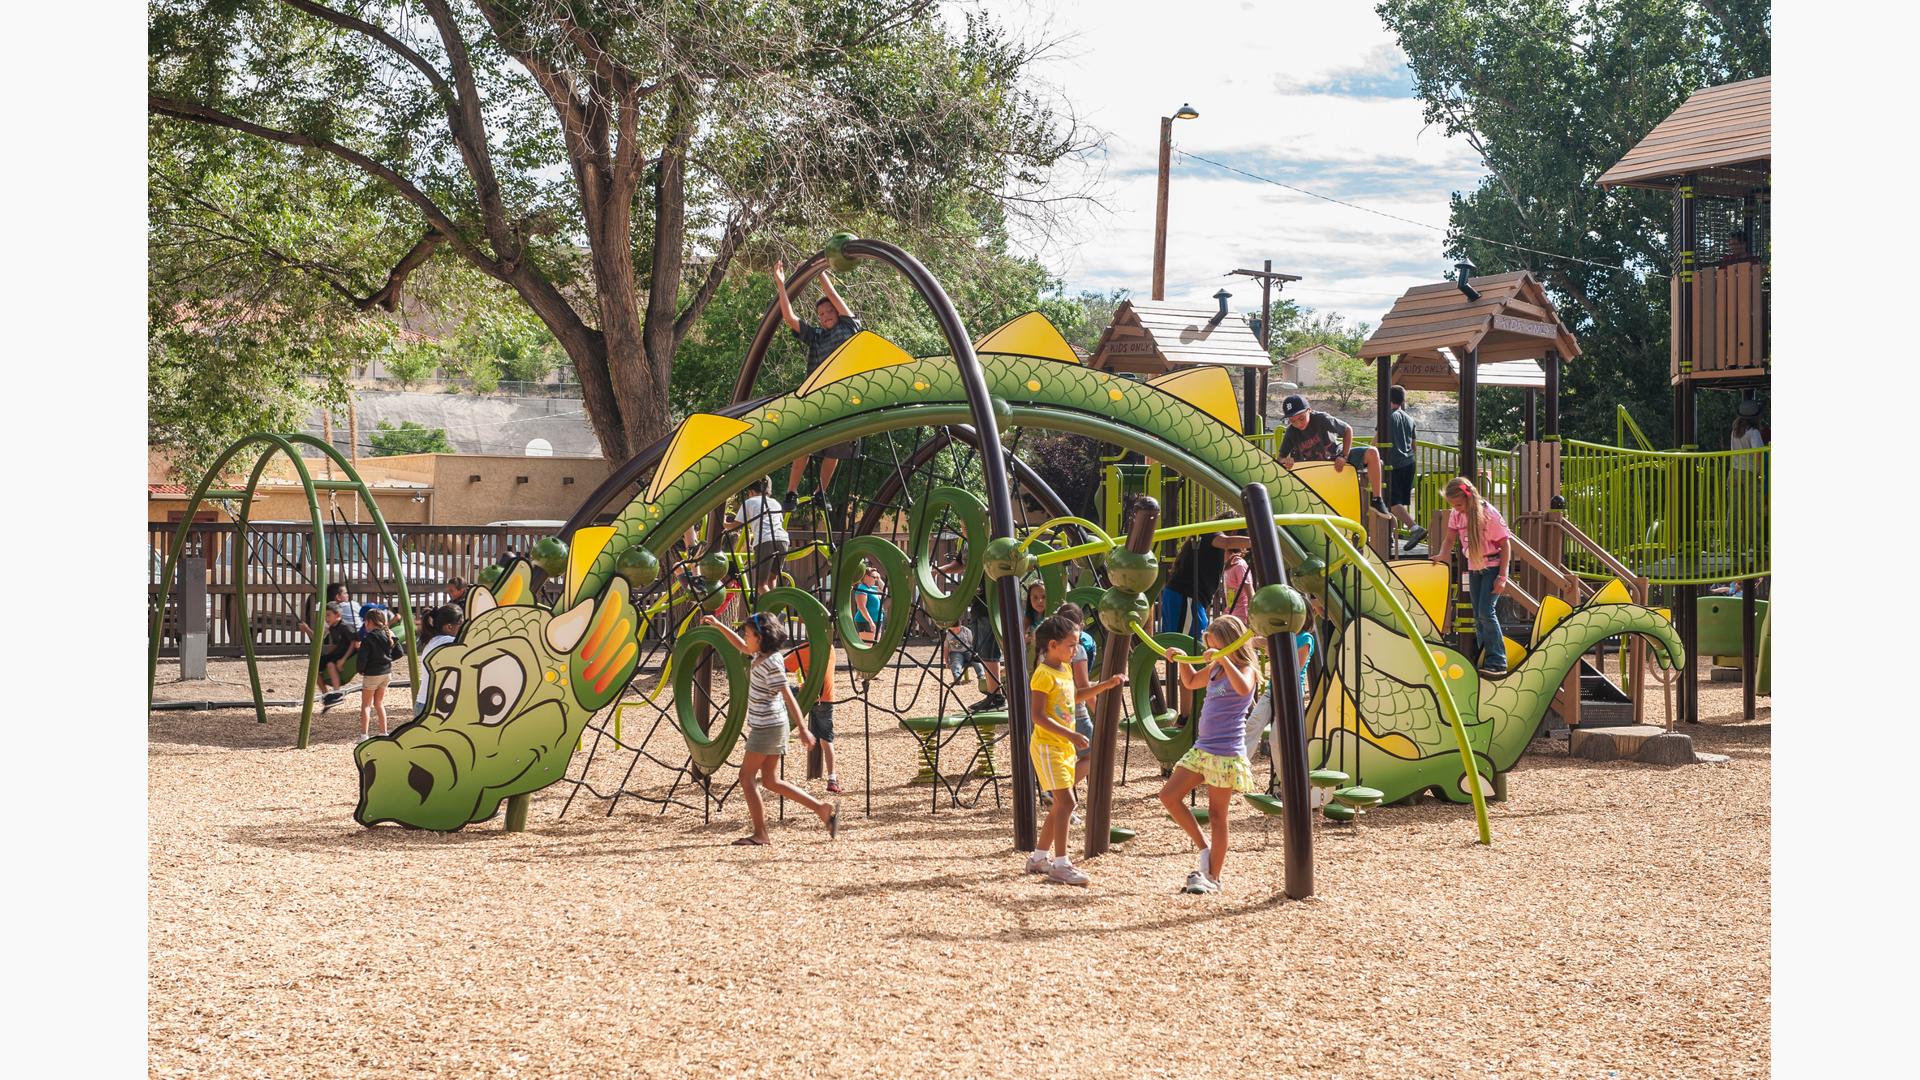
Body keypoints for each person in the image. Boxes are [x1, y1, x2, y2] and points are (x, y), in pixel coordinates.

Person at [699, 610, 838, 845]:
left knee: (745, 776)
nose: (745, 637)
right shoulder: (759, 655)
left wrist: (803, 729)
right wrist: (717, 626)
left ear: (761, 637)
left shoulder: (772, 663)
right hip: (771, 725)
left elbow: (788, 695)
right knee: (771, 781)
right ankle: (822, 809)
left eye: (748, 634)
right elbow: (741, 645)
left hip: (768, 727)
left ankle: (761, 833)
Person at [1159, 615, 1259, 894]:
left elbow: (1242, 688)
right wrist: (1179, 660)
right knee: (1168, 795)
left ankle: (1213, 877)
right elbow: (1190, 682)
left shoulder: (1246, 668)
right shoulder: (1216, 670)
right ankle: (1204, 849)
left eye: (1216, 646)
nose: (1211, 651)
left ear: (1230, 645)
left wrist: (1224, 659)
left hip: (1226, 752)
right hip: (1203, 748)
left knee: (1218, 815)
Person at [1025, 614, 1126, 886]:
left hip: (1062, 746)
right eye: (1072, 645)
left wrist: (1105, 685)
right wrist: (1070, 733)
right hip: (1048, 747)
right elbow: (1037, 716)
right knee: (1067, 803)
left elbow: (1074, 697)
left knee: (1062, 804)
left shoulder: (1064, 669)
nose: (1076, 650)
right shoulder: (1043, 674)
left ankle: (1038, 859)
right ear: (1053, 645)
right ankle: (1061, 864)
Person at [771, 259, 864, 515]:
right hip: (818, 396)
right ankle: (791, 490)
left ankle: (821, 492)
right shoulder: (817, 336)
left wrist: (818, 272)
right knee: (806, 446)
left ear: (838, 312)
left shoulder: (849, 326)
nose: (824, 318)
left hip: (843, 397)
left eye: (828, 313)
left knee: (834, 448)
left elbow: (833, 294)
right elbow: (789, 318)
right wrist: (781, 284)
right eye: (821, 316)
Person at [1429, 476, 1513, 676]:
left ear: (1468, 498)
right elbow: (1449, 539)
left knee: (1486, 611)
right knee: (1478, 615)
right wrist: (1442, 555)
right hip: (1474, 567)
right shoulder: (1457, 515)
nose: (1456, 508)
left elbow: (1505, 545)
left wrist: (1502, 576)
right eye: (1452, 505)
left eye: (1458, 504)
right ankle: (1485, 655)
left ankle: (1498, 659)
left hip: (1492, 566)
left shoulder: (1488, 514)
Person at [1276, 394, 1391, 520]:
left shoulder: (1321, 418)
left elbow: (1348, 430)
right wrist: (1286, 461)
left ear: (1309, 410)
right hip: (1315, 471)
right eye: (1293, 421)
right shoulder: (1291, 432)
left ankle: (1377, 500)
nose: (1298, 424)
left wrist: (1344, 456)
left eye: (1302, 418)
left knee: (1372, 453)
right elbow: (1280, 458)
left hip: (1336, 459)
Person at [785, 637, 843, 794]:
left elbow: (784, 665)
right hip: (827, 699)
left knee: (783, 690)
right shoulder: (829, 649)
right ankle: (832, 778)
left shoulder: (804, 650)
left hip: (809, 696)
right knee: (827, 740)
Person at [1382, 385, 1426, 548]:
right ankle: (1391, 537)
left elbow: (1376, 440)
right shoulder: (1409, 418)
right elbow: (1414, 445)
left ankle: (1414, 528)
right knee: (1390, 503)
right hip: (1409, 463)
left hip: (1393, 464)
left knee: (1389, 501)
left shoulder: (1387, 416)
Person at [731, 477, 790, 598]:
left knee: (760, 585)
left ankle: (774, 604)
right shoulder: (775, 503)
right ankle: (774, 612)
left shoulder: (749, 502)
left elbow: (734, 527)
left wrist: (721, 522)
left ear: (751, 492)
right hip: (783, 540)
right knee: (772, 579)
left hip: (765, 541)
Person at [356, 608, 405, 741]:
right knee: (379, 702)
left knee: (366, 705)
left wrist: (361, 669)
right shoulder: (389, 633)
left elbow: (362, 658)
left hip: (372, 674)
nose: (365, 625)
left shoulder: (369, 638)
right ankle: (383, 732)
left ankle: (364, 735)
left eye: (365, 622)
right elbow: (399, 652)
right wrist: (387, 660)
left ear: (370, 622)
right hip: (386, 674)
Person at [413, 606, 465, 715]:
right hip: (436, 706)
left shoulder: (433, 641)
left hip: (424, 702)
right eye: (461, 624)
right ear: (449, 627)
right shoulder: (449, 642)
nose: (464, 628)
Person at [316, 602, 357, 712]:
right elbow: (335, 644)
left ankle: (337, 693)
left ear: (338, 615)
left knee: (330, 665)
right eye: (325, 615)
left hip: (346, 654)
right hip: (337, 653)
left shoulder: (345, 627)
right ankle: (326, 695)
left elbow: (353, 643)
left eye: (328, 615)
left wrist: (343, 660)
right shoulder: (332, 628)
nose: (326, 618)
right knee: (314, 668)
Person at [852, 562, 886, 643]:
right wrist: (870, 622)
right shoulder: (862, 588)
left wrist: (879, 578)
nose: (875, 580)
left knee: (875, 645)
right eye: (874, 577)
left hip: (877, 620)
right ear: (866, 577)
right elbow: (862, 607)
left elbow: (885, 591)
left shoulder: (872, 588)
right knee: (868, 646)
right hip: (865, 621)